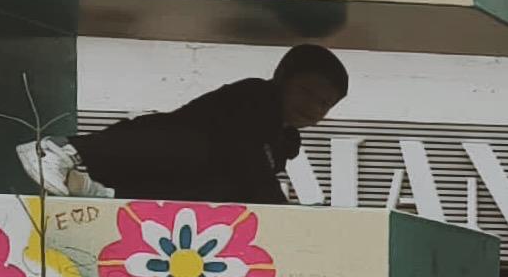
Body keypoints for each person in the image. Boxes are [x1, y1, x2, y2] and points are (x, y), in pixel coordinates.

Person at [70, 42, 348, 205]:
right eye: (306, 92)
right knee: (194, 146)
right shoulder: (254, 98)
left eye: (324, 103)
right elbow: (251, 165)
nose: (312, 107)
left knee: (221, 190)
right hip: (142, 151)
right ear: (281, 79)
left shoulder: (282, 140)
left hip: (148, 184)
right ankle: (66, 150)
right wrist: (288, 218)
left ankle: (104, 193)